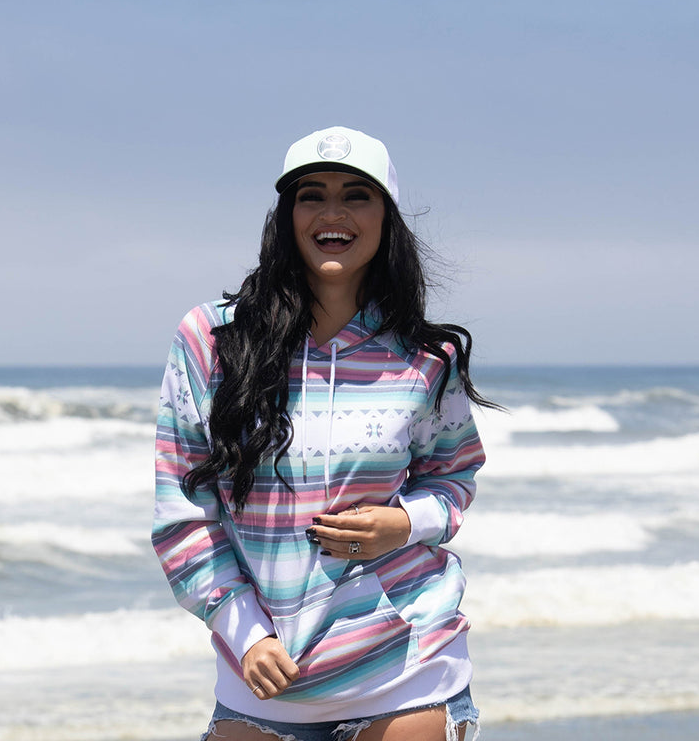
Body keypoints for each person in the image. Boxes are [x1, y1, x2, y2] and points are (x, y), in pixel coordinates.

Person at [152, 127, 495, 741]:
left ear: (386, 217)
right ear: (286, 216)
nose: (332, 213)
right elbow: (184, 513)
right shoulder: (213, 339)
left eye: (356, 195)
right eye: (311, 195)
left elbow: (454, 476)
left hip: (407, 666)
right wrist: (244, 630)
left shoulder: (426, 355)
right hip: (264, 681)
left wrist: (404, 525)